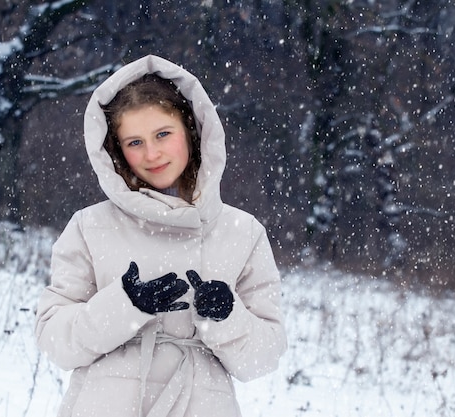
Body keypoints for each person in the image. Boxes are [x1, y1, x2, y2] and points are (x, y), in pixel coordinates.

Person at [35, 55, 287, 417]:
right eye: (134, 142)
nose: (151, 154)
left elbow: (263, 360)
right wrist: (125, 306)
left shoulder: (243, 232)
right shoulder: (90, 226)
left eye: (163, 134)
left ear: (191, 130)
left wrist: (227, 317)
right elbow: (56, 343)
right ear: (116, 151)